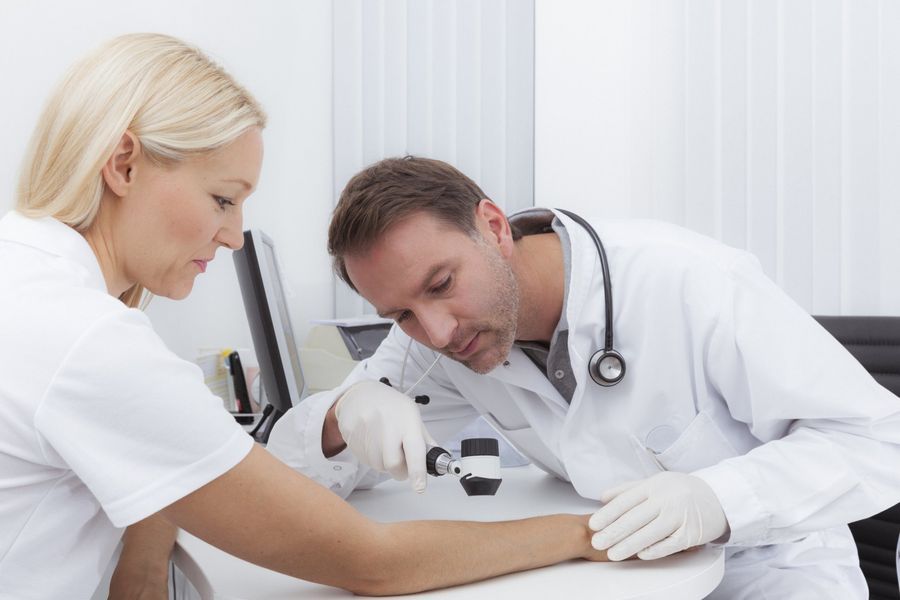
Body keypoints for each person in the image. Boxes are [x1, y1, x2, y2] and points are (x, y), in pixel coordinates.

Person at [0, 35, 608, 600]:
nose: (235, 236)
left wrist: (146, 547)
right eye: (222, 198)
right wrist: (586, 534)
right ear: (125, 163)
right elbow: (373, 561)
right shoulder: (87, 337)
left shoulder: (29, 279)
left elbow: (147, 461)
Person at [267, 155, 900, 599]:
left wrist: (719, 499)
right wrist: (339, 418)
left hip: (768, 572)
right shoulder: (439, 343)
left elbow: (877, 439)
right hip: (614, 582)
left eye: (441, 285)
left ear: (493, 228)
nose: (435, 331)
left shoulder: (691, 282)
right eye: (401, 313)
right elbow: (292, 486)